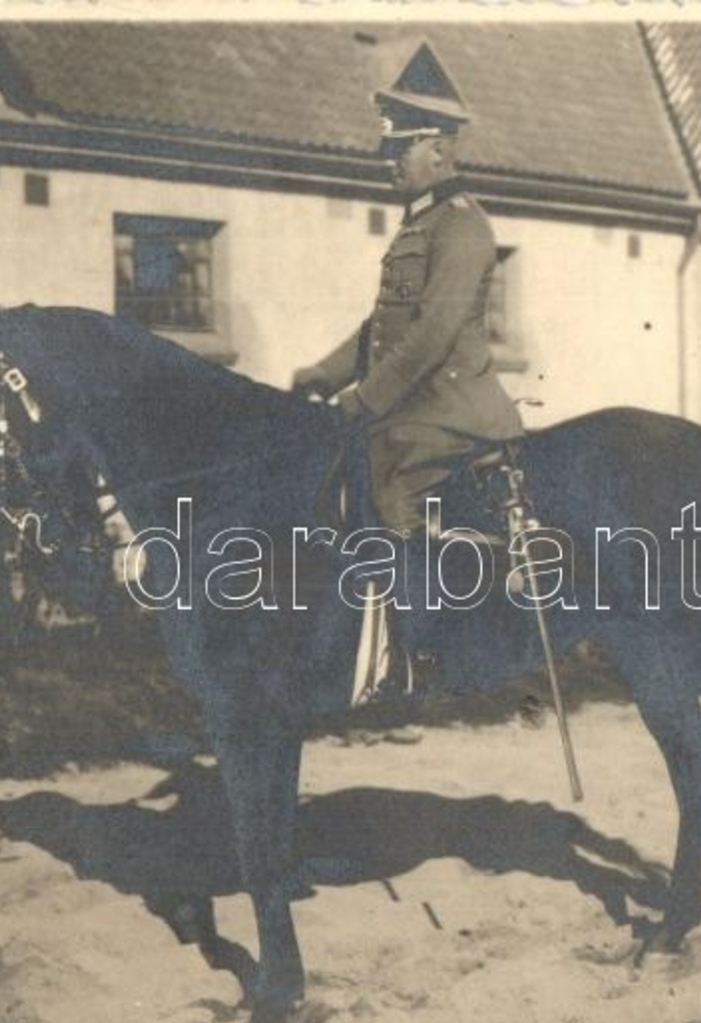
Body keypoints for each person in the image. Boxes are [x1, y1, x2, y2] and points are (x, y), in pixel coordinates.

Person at [293, 74, 524, 702]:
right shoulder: (418, 223)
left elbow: (434, 332)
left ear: (440, 148)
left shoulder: (463, 226)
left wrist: (362, 399)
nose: (388, 161)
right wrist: (326, 372)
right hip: (415, 400)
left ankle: (416, 651)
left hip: (454, 407)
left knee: (383, 465)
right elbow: (384, 327)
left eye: (400, 148)